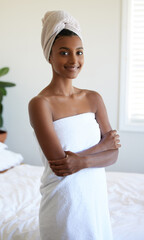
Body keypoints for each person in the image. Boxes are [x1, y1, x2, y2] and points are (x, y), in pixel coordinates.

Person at [28, 10, 121, 240]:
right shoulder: (40, 104)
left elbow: (114, 156)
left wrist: (82, 160)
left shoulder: (93, 98)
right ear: (49, 56)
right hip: (64, 204)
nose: (73, 60)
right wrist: (103, 145)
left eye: (79, 52)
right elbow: (62, 165)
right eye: (64, 52)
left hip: (94, 202)